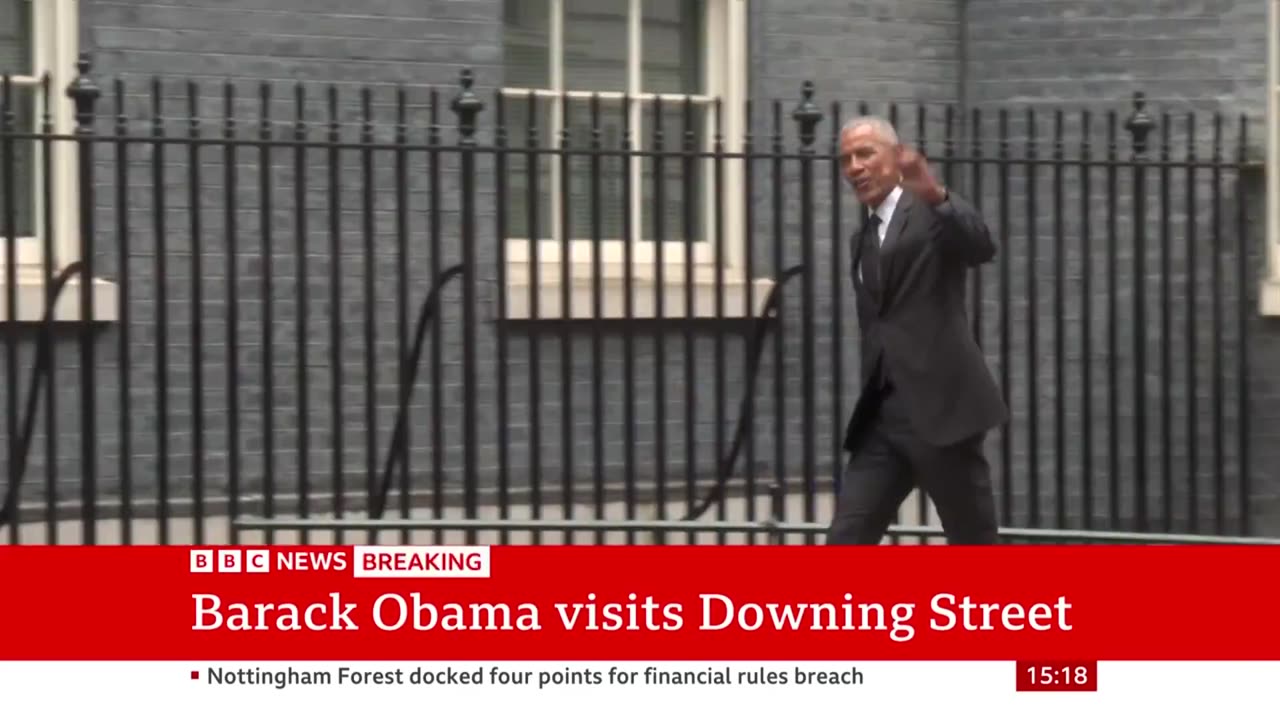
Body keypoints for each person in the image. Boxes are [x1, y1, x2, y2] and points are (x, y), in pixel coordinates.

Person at [826, 116, 1008, 546]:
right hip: (883, 420)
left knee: (974, 541)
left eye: (865, 153)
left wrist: (937, 194)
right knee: (847, 538)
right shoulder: (862, 239)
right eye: (845, 159)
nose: (854, 166)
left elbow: (981, 245)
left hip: (942, 413)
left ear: (897, 156)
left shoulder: (929, 214)